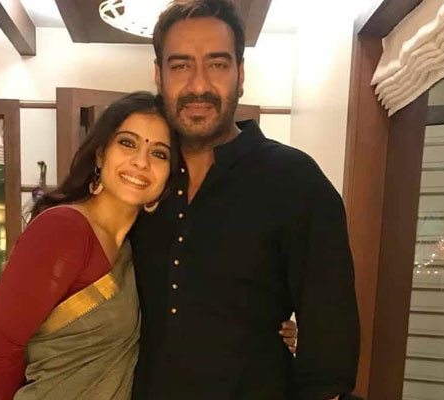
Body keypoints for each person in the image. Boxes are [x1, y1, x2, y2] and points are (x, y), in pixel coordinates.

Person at [129, 1, 360, 399]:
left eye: (217, 64)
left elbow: (330, 340)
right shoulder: (141, 180)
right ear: (158, 75)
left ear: (240, 74)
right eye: (181, 65)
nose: (198, 85)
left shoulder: (294, 180)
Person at [0, 92, 176, 400]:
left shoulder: (137, 246)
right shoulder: (64, 230)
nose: (141, 161)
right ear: (100, 154)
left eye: (159, 153)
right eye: (127, 143)